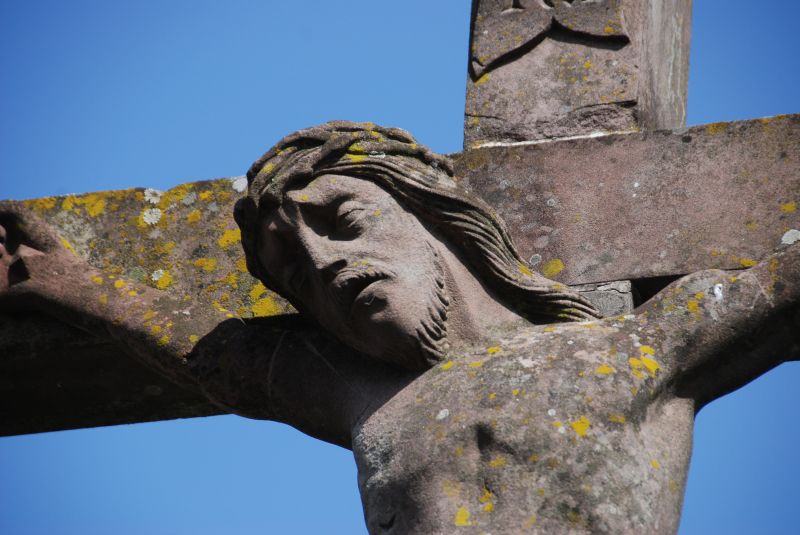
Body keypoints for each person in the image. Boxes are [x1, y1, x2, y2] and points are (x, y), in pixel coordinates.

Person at [1, 121, 797, 533]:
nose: (325, 265)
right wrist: (73, 286)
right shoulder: (366, 398)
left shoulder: (634, 349)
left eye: (341, 220)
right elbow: (220, 355)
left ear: (430, 212)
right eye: (296, 276)